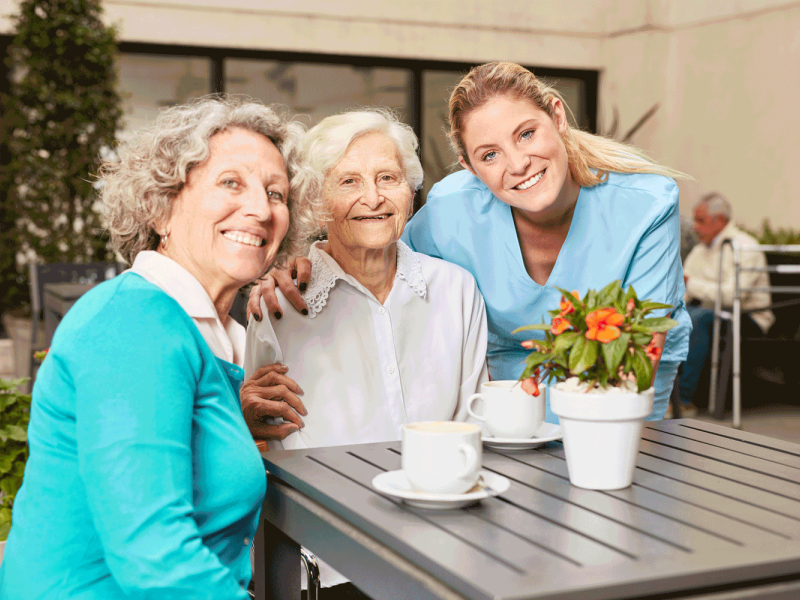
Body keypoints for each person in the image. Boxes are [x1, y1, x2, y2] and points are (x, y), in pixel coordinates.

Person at [250, 62, 691, 422]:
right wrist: (299, 262)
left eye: (527, 133)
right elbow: (372, 253)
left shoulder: (647, 206)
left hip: (619, 405)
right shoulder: (451, 212)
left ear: (557, 116)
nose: (518, 164)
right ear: (467, 165)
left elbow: (633, 366)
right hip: (507, 420)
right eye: (490, 154)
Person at [0, 96, 304, 599]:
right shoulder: (133, 323)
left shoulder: (197, 328)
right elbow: (154, 560)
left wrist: (230, 419)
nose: (260, 208)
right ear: (161, 207)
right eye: (231, 182)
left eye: (277, 193)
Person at [245, 108, 489, 597]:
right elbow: (261, 441)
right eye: (348, 181)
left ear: (411, 190)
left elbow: (475, 421)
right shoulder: (278, 306)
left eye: (388, 178)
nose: (373, 197)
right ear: (316, 201)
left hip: (446, 549)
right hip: (330, 565)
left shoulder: (456, 290)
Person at [677, 192, 774, 414]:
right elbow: (684, 290)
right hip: (713, 315)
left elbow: (732, 295)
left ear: (719, 220)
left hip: (749, 317)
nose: (695, 227)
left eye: (700, 220)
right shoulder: (700, 250)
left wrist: (692, 284)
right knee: (678, 317)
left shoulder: (744, 246)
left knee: (697, 318)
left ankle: (684, 400)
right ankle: (661, 392)